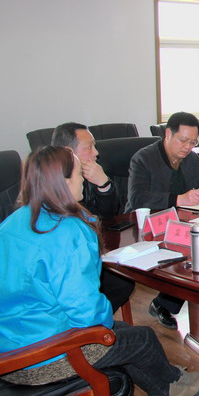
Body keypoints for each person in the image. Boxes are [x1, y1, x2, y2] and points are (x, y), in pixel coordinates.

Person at [0, 146, 199, 396]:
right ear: (63, 182)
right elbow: (86, 312)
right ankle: (172, 390)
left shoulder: (12, 222)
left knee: (127, 334)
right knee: (141, 338)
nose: (82, 180)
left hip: (3, 348)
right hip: (41, 359)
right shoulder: (66, 231)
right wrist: (103, 326)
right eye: (79, 174)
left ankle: (171, 381)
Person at [126, 111, 199, 329]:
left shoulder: (191, 158)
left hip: (179, 223)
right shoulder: (143, 158)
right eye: (183, 140)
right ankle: (165, 304)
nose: (187, 147)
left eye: (193, 142)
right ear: (168, 134)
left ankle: (166, 303)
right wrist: (178, 199)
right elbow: (137, 198)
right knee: (188, 257)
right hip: (146, 225)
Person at [51, 122, 134, 312]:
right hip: (68, 267)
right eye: (89, 147)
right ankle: (91, 324)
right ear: (68, 151)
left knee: (123, 282)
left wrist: (104, 184)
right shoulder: (58, 183)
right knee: (118, 283)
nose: (96, 153)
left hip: (90, 251)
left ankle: (95, 321)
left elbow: (107, 216)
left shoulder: (91, 171)